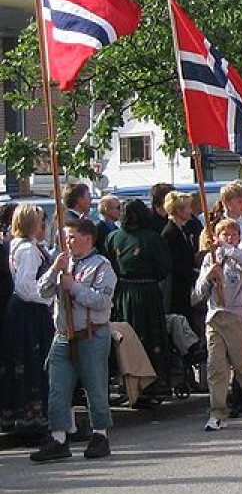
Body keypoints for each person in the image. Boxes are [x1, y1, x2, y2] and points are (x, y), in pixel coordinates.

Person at [29, 218, 117, 462]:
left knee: (95, 386)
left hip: (91, 334)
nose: (66, 241)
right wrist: (55, 271)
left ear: (87, 238)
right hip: (63, 336)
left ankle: (100, 435)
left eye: (71, 237)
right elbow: (42, 292)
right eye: (65, 237)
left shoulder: (102, 267)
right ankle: (58, 438)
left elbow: (102, 302)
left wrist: (74, 287)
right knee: (57, 387)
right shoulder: (63, 263)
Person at [192, 219, 242, 431]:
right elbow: (197, 294)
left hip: (236, 316)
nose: (229, 238)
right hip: (215, 317)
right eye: (224, 234)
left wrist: (227, 248)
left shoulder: (241, 256)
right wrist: (209, 277)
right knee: (216, 367)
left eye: (233, 235)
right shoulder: (210, 259)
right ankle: (218, 412)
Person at [1, 205, 54, 442]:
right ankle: (32, 418)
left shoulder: (16, 245)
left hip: (20, 309)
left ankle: (20, 414)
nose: (44, 226)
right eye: (41, 221)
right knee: (32, 360)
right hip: (28, 309)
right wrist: (48, 297)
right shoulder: (28, 249)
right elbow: (25, 286)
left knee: (24, 360)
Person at [105, 199, 172, 384]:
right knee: (144, 335)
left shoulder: (113, 237)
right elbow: (164, 267)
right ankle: (147, 379)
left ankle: (135, 380)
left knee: (134, 335)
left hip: (126, 292)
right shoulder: (150, 238)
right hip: (145, 292)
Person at [161, 192, 200, 320]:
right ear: (178, 210)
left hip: (185, 285)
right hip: (177, 288)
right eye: (188, 207)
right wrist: (194, 273)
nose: (191, 211)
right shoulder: (170, 233)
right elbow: (175, 263)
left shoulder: (182, 230)